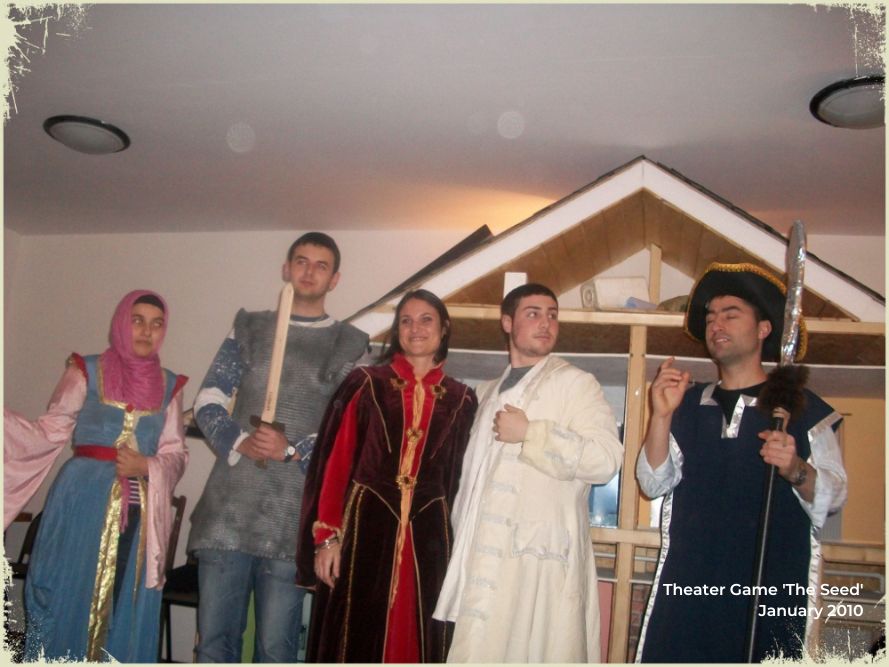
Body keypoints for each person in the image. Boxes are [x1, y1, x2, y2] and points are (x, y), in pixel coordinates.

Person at [635, 262, 848, 663]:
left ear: (764, 329)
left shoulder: (802, 409)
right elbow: (653, 483)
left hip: (770, 589)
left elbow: (834, 495)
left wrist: (794, 468)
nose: (716, 324)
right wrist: (660, 416)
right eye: (710, 317)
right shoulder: (687, 404)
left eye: (730, 315)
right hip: (688, 588)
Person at [187, 232, 368, 663]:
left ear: (335, 279)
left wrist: (294, 449)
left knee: (276, 648)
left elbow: (352, 429)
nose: (309, 271)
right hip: (229, 511)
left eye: (321, 265)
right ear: (286, 269)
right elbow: (208, 399)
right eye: (301, 261)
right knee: (214, 644)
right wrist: (240, 440)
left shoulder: (350, 344)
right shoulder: (250, 328)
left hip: (292, 517)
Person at [434, 282, 623, 662]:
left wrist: (532, 434)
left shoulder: (576, 384)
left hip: (540, 564)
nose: (546, 323)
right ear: (507, 323)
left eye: (552, 315)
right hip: (480, 558)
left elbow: (606, 461)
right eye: (533, 314)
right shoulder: (484, 393)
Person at [3, 289, 188, 662]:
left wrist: (146, 466)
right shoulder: (84, 371)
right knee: (66, 589)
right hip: (80, 503)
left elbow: (175, 453)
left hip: (138, 514)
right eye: (138, 321)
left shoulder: (170, 386)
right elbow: (48, 431)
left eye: (156, 324)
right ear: (121, 322)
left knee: (120, 595)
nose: (147, 331)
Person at [296, 289, 478, 662]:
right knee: (356, 635)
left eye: (426, 319)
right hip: (365, 531)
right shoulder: (366, 384)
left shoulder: (461, 399)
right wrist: (327, 538)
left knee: (419, 636)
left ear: (444, 327)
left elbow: (461, 483)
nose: (415, 328)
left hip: (430, 539)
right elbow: (335, 464)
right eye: (406, 321)